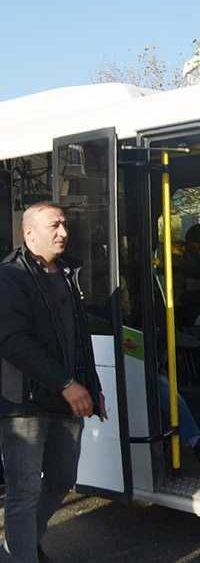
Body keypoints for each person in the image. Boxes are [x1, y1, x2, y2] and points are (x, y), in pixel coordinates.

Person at [0, 201, 105, 563]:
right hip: (23, 404)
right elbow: (13, 341)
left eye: (63, 224)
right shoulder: (9, 277)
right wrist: (66, 383)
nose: (63, 232)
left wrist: (91, 383)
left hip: (64, 400)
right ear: (29, 233)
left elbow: (78, 338)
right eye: (53, 226)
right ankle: (23, 554)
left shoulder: (66, 273)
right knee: (23, 491)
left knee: (61, 478)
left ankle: (19, 545)